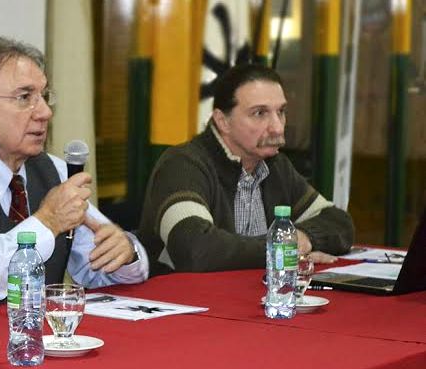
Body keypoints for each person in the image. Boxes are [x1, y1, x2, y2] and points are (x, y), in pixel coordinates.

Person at [0, 36, 148, 301]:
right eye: (24, 97)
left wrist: (125, 253)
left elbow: (99, 273)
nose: (44, 112)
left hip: (38, 335)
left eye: (44, 96)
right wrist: (47, 222)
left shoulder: (53, 170)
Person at [138, 64, 354, 275]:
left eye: (281, 112)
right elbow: (195, 249)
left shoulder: (275, 165)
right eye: (260, 113)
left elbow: (339, 222)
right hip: (181, 302)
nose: (277, 127)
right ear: (223, 121)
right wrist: (285, 247)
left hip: (247, 299)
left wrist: (304, 238)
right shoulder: (182, 164)